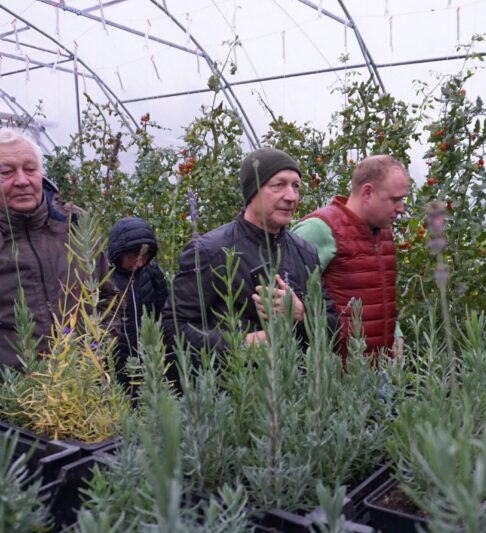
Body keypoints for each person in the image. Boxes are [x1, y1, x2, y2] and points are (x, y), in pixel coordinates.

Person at [162, 147, 338, 356]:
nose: (291, 196)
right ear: (252, 192)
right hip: (234, 376)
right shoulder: (210, 252)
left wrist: (302, 314)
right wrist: (241, 343)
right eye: (278, 185)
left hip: (295, 375)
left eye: (296, 186)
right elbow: (174, 328)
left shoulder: (304, 252)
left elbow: (332, 327)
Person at [0, 128, 118, 370]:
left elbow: (107, 298)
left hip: (81, 380)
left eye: (30, 169)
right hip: (14, 387)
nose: (22, 181)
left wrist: (96, 351)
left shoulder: (74, 224)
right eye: (6, 172)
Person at [292, 155, 409, 359]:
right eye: (394, 199)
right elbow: (287, 298)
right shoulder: (319, 229)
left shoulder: (383, 232)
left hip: (378, 370)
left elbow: (378, 295)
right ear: (367, 192)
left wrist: (395, 333)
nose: (401, 209)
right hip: (335, 371)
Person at [107, 217, 168, 378]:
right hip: (113, 367)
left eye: (144, 257)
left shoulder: (153, 272)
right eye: (131, 257)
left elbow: (165, 314)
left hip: (150, 363)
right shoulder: (103, 276)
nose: (139, 263)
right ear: (117, 254)